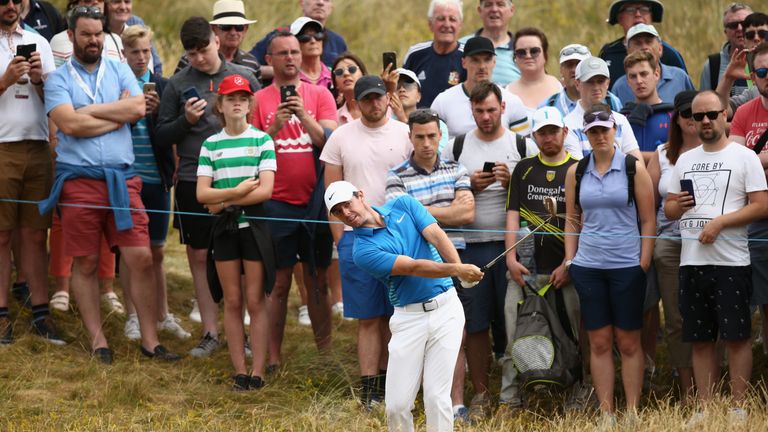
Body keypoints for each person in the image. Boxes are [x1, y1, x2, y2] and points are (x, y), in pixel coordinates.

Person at [40, 5, 179, 363]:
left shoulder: (120, 70)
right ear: (71, 36)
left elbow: (135, 110)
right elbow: (68, 126)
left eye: (99, 34)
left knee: (141, 256)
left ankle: (150, 340)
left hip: (122, 178)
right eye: (86, 34)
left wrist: (86, 113)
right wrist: (107, 115)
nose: (93, 40)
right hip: (79, 182)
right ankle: (99, 340)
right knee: (85, 263)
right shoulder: (58, 79)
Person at [324, 180, 483, 432]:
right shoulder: (362, 251)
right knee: (397, 405)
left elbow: (437, 236)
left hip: (446, 310)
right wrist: (457, 269)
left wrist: (461, 274)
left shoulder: (404, 204)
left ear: (361, 195)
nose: (346, 213)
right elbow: (412, 267)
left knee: (436, 397)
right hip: (409, 319)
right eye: (338, 212)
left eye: (347, 204)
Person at [156, 16, 260, 358]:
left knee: (244, 257)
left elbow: (259, 130)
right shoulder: (177, 83)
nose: (199, 58)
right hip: (191, 179)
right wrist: (185, 120)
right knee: (199, 255)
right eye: (192, 52)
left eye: (203, 49)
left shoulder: (243, 78)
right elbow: (161, 135)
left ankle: (242, 331)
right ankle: (211, 331)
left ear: (216, 40)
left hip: (240, 178)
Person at [664, 91, 768, 426]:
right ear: (691, 122)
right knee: (699, 337)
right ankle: (705, 408)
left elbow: (762, 205)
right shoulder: (685, 160)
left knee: (737, 337)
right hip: (691, 262)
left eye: (712, 114)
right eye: (699, 117)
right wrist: (675, 207)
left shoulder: (745, 157)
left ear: (725, 115)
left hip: (731, 262)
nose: (705, 121)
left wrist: (721, 223)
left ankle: (738, 408)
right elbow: (668, 208)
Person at [441, 81, 538, 420]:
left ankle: (516, 393)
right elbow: (443, 194)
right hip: (470, 246)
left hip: (515, 245)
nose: (485, 116)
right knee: (476, 324)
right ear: (471, 110)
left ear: (503, 109)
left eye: (492, 110)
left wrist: (514, 182)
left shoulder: (521, 144)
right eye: (479, 110)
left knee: (515, 322)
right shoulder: (456, 147)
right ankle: (481, 393)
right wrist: (469, 186)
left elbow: (537, 200)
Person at [321, 75, 412, 408]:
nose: (374, 104)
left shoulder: (406, 133)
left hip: (397, 234)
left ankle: (394, 384)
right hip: (354, 236)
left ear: (388, 99)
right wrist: (340, 240)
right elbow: (330, 193)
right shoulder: (341, 137)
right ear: (356, 103)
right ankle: (369, 388)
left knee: (398, 315)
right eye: (367, 99)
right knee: (368, 317)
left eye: (379, 97)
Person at [564, 103, 655, 426]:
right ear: (586, 134)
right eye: (593, 131)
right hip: (589, 266)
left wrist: (643, 262)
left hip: (627, 265)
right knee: (599, 341)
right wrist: (571, 259)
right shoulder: (577, 170)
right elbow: (572, 219)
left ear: (615, 130)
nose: (599, 136)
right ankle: (606, 413)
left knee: (629, 341)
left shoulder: (633, 167)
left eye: (605, 129)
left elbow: (647, 219)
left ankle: (630, 411)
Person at [251, 30, 337, 372]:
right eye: (281, 53)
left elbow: (328, 143)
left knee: (317, 280)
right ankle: (273, 357)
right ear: (269, 60)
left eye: (294, 52)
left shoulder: (320, 95)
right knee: (279, 282)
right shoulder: (258, 99)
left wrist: (303, 115)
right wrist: (273, 129)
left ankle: (326, 354)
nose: (289, 58)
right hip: (275, 203)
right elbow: (251, 149)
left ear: (301, 57)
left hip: (314, 202)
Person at [384, 108, 474, 422]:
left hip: (459, 260)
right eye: (419, 136)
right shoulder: (396, 175)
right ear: (410, 137)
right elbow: (401, 224)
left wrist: (419, 211)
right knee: (416, 345)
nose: (426, 143)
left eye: (431, 136)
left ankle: (457, 402)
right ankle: (424, 401)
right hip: (420, 269)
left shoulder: (456, 168)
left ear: (440, 136)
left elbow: (467, 214)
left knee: (458, 339)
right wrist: (440, 212)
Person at [196, 74, 276, 391]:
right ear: (221, 105)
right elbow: (202, 193)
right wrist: (237, 193)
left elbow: (265, 190)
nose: (237, 103)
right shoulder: (211, 144)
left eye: (243, 98)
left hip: (253, 227)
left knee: (255, 300)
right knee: (232, 300)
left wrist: (226, 198)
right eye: (231, 98)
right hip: (226, 230)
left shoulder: (262, 141)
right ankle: (239, 371)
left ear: (250, 104)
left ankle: (258, 371)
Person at [504, 106, 582, 410]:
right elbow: (512, 216)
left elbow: (581, 220)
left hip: (566, 268)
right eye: (542, 132)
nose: (548, 137)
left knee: (573, 332)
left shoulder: (578, 167)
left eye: (553, 130)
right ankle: (511, 397)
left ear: (564, 132)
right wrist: (510, 258)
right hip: (526, 266)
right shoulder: (523, 169)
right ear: (534, 135)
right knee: (515, 331)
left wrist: (570, 263)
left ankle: (577, 391)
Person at [120, 25, 190, 340]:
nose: (140, 57)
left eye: (145, 51)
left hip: (158, 178)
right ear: (124, 54)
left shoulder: (163, 86)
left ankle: (163, 314)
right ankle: (132, 315)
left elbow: (172, 132)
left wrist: (161, 113)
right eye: (134, 52)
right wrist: (131, 110)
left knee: (158, 251)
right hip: (128, 177)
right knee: (131, 251)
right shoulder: (118, 86)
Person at [0, 0, 62, 346]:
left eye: (16, 0)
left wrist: (39, 80)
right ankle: (2, 314)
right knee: (2, 235)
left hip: (37, 146)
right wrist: (5, 80)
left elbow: (56, 99)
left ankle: (41, 314)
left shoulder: (39, 41)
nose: (10, 6)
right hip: (2, 146)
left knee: (38, 235)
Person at [645, 90, 698, 403]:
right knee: (676, 318)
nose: (694, 119)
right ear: (676, 119)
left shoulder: (717, 149)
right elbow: (648, 204)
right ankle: (687, 386)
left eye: (701, 113)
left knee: (709, 313)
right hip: (670, 243)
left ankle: (712, 383)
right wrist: (649, 247)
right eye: (687, 113)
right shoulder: (662, 153)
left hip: (710, 240)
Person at [728, 41, 768, 368]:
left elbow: (744, 159)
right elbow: (734, 164)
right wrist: (762, 159)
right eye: (763, 72)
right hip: (758, 214)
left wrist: (753, 160)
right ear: (753, 77)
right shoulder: (744, 112)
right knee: (765, 299)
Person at [430, 36, 529, 139]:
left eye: (487, 60)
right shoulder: (443, 102)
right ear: (464, 63)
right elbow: (433, 143)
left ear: (494, 62)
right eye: (475, 60)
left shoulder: (512, 102)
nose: (482, 66)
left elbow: (524, 148)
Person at [563, 56, 641, 160]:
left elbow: (637, 164)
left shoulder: (621, 120)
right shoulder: (568, 125)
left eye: (600, 81)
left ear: (608, 83)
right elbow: (576, 170)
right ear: (577, 84)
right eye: (590, 81)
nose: (596, 87)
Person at [250, 0, 347, 81]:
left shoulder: (338, 41)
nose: (320, 2)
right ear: (302, 3)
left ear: (331, 7)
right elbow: (248, 67)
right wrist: (284, 71)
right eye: (304, 38)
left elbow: (348, 72)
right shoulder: (278, 36)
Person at [599, 0, 687, 88]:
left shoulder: (670, 55)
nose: (638, 14)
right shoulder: (608, 53)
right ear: (620, 18)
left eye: (644, 9)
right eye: (630, 9)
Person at [174, 0, 262, 86]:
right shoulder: (189, 58)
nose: (233, 32)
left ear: (246, 29)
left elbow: (258, 98)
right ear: (214, 29)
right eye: (226, 27)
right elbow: (175, 88)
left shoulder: (252, 63)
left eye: (239, 27)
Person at [610, 23, 694, 105]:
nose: (644, 47)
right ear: (628, 52)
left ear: (660, 49)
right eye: (638, 43)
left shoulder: (680, 77)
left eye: (648, 42)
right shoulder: (619, 87)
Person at [402, 0, 467, 108]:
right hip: (418, 122)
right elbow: (401, 92)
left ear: (460, 25)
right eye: (441, 19)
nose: (447, 24)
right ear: (430, 24)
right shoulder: (415, 54)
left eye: (452, 19)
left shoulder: (468, 56)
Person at [619, 50, 673, 162]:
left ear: (656, 74)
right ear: (628, 81)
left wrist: (631, 155)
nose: (639, 81)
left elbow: (679, 154)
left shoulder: (673, 115)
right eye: (633, 76)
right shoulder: (621, 119)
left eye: (644, 74)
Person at [541, 43, 623, 116]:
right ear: (561, 71)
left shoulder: (611, 101)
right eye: (569, 65)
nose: (574, 69)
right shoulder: (549, 105)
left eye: (579, 64)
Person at [718, 12, 768, 118]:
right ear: (744, 40)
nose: (756, 38)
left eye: (762, 33)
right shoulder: (753, 92)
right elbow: (719, 113)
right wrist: (728, 78)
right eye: (761, 73)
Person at [458, 0, 520, 86]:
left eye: (500, 4)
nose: (494, 9)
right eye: (488, 5)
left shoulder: (524, 50)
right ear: (480, 10)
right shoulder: (461, 45)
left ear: (512, 10)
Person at [49, 0, 124, 67]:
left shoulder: (115, 39)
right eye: (88, 0)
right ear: (75, 5)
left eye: (100, 0)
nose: (95, 2)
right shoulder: (59, 40)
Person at [505, 27, 562, 113]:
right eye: (521, 52)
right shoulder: (507, 94)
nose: (528, 56)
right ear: (515, 57)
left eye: (534, 51)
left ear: (545, 55)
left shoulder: (561, 89)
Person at [700, 3, 753, 96]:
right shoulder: (713, 65)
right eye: (733, 25)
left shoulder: (764, 60)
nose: (740, 28)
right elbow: (704, 103)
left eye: (744, 23)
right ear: (725, 32)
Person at [103, 0, 162, 75]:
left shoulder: (140, 35)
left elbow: (153, 70)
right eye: (117, 2)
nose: (123, 7)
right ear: (106, 5)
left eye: (127, 2)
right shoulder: (98, 37)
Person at [291, 17, 331, 89]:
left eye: (318, 35)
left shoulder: (335, 76)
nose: (313, 41)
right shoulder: (288, 78)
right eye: (305, 37)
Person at [331, 52, 367, 124]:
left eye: (352, 69)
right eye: (339, 71)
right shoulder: (334, 119)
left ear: (363, 75)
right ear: (336, 84)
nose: (346, 74)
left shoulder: (382, 107)